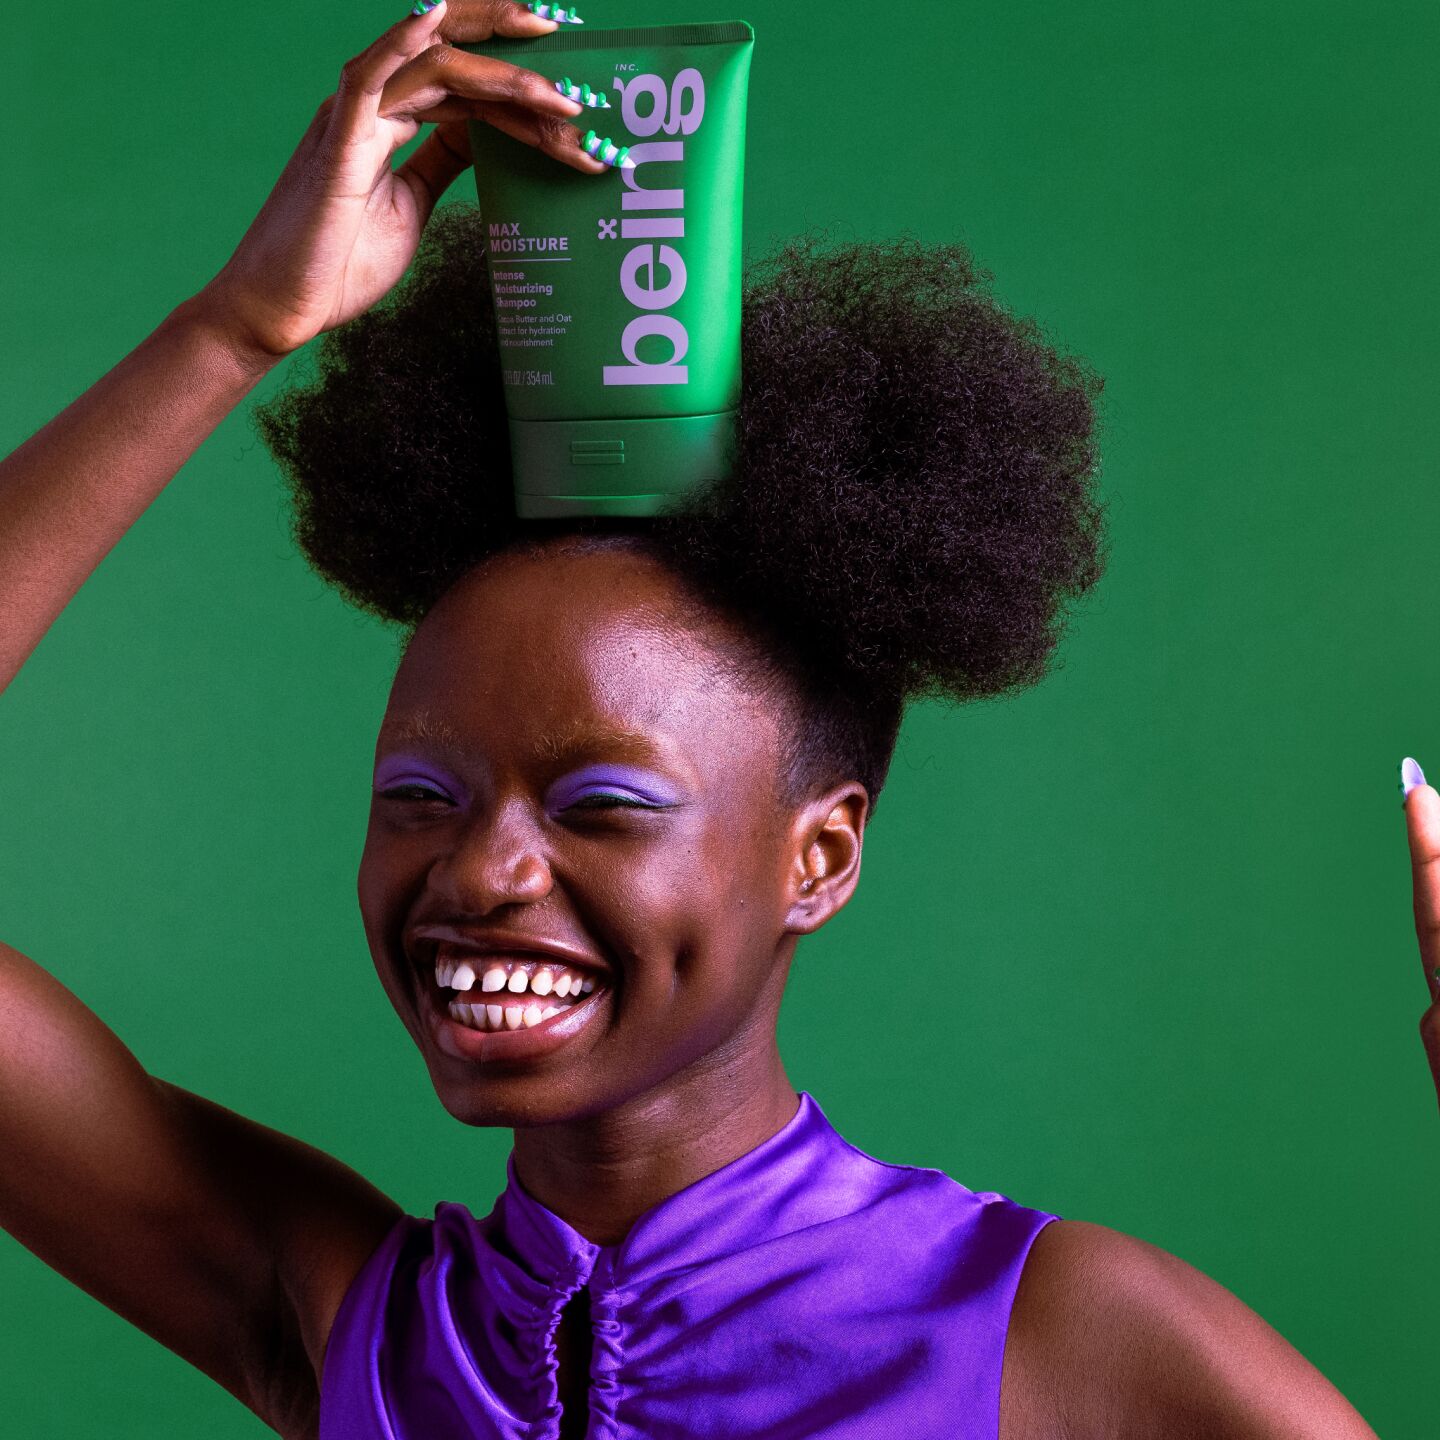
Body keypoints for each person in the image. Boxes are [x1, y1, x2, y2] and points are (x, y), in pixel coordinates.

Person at [1, 2, 1428, 1436]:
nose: (481, 872)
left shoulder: (1052, 1337)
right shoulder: (343, 1324)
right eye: (422, 794)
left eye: (600, 806)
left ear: (818, 858)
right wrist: (240, 328)